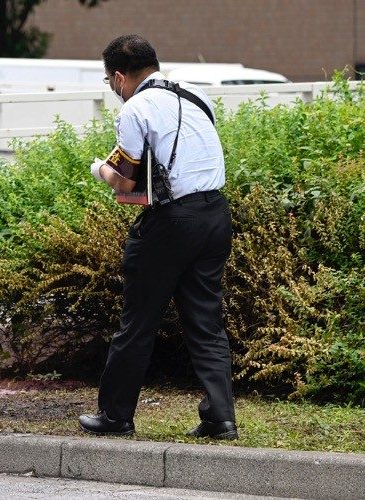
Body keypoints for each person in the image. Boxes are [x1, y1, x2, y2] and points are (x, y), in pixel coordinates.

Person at [79, 35, 237, 440]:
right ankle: (221, 417)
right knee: (205, 319)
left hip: (172, 221)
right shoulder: (195, 95)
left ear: (119, 76)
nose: (114, 90)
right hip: (216, 214)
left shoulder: (137, 108)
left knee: (138, 320)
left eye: (110, 83)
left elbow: (124, 178)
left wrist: (98, 168)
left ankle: (115, 416)